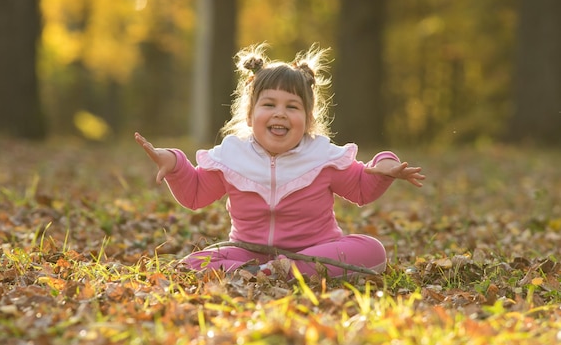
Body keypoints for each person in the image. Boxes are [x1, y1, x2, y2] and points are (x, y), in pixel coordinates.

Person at [135, 43, 425, 279]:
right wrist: (173, 163)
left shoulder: (321, 157)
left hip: (314, 251)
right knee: (190, 264)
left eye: (292, 107)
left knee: (372, 250)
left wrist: (385, 166)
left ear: (308, 119)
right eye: (269, 104)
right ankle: (262, 271)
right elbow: (196, 193)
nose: (280, 113)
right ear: (250, 115)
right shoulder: (232, 156)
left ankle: (275, 272)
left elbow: (362, 187)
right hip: (246, 251)